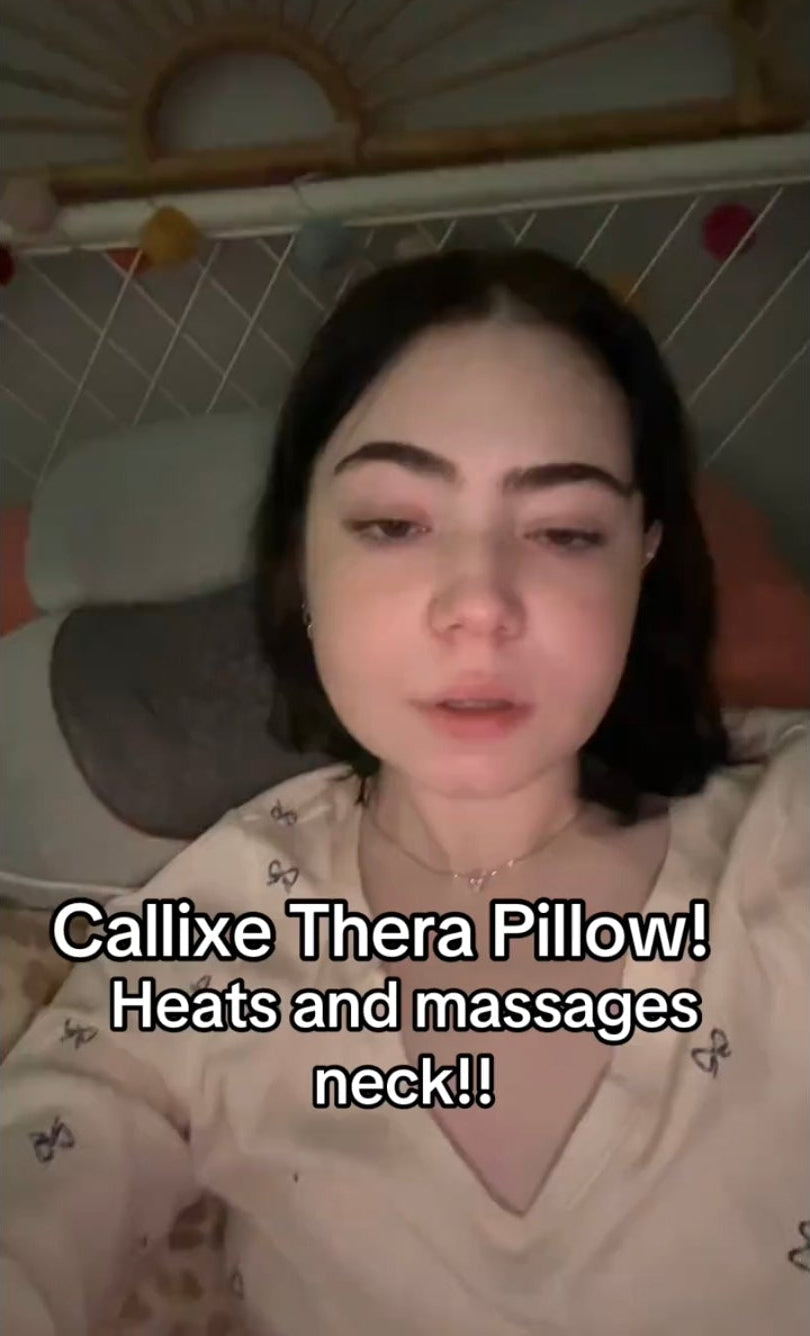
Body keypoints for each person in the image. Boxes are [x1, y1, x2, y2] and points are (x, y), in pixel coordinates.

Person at [1, 248, 807, 1336]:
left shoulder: (781, 844)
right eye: (393, 524)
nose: (479, 604)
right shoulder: (216, 935)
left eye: (565, 531)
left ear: (643, 563)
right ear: (301, 557)